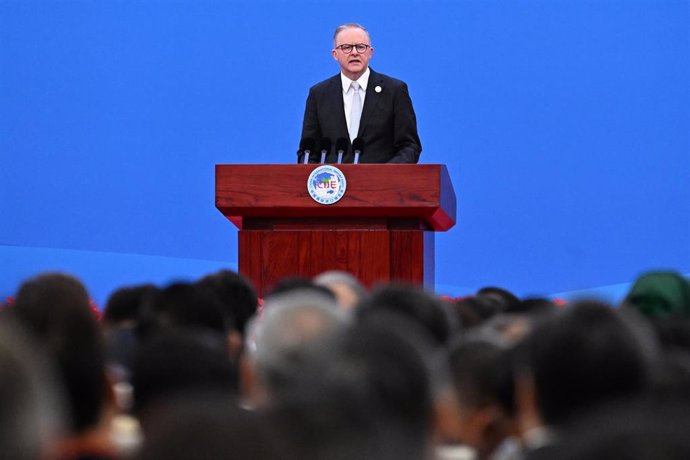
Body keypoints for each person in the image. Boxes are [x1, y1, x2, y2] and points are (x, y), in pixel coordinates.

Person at [299, 23, 422, 164]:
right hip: (333, 183)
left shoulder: (394, 90)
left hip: (381, 183)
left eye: (360, 47)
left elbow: (409, 146)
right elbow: (307, 151)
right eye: (346, 47)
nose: (354, 52)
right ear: (335, 54)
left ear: (370, 52)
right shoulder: (319, 94)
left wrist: (386, 176)